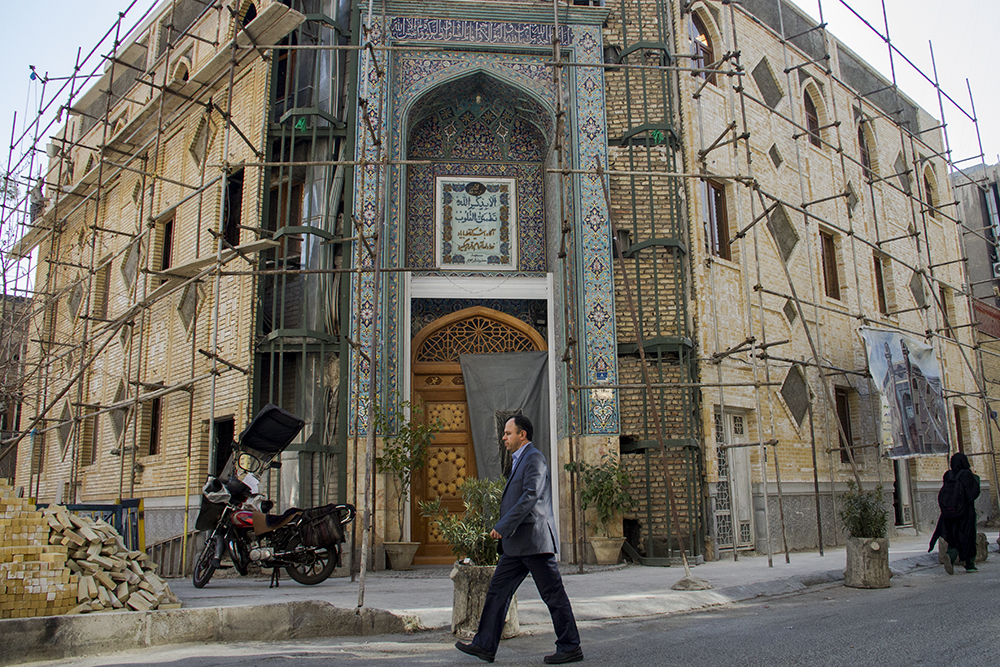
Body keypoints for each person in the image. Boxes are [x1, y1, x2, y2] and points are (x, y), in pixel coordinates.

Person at [456, 415, 583, 664]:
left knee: (553, 595)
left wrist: (504, 525)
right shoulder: (519, 460)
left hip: (534, 542)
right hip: (517, 545)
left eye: (508, 433)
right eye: (504, 433)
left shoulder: (534, 458)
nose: (504, 438)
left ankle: (570, 646)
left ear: (522, 435)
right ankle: (484, 645)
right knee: (497, 592)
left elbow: (531, 495)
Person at [928, 452, 981, 574]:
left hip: (949, 513)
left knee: (954, 536)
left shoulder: (948, 475)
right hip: (966, 514)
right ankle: (970, 564)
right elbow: (974, 492)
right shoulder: (967, 475)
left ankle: (950, 556)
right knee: (967, 537)